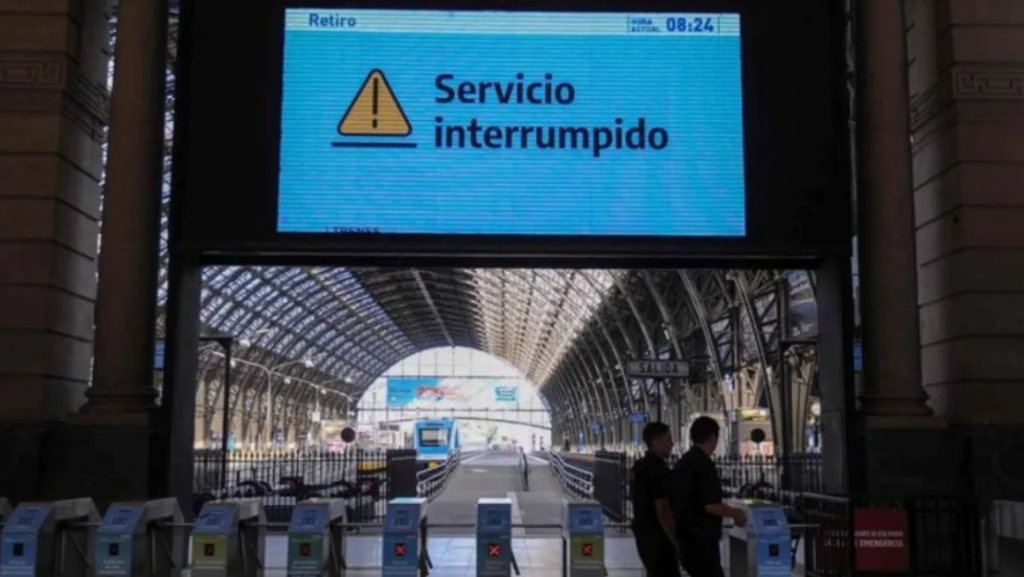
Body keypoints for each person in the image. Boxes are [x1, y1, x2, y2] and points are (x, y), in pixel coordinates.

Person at [671, 416, 747, 577]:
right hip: (701, 541)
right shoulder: (703, 465)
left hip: (685, 537)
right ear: (712, 438)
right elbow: (710, 505)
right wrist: (736, 513)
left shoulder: (684, 462)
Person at [630, 422, 680, 577]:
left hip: (644, 537)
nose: (672, 443)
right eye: (668, 439)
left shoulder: (639, 467)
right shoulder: (658, 471)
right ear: (655, 441)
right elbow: (664, 512)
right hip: (659, 541)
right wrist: (678, 543)